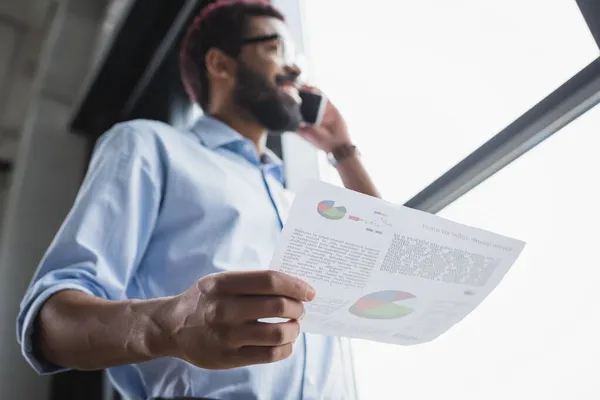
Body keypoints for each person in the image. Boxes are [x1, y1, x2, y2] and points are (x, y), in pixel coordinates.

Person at [16, 0, 380, 399]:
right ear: (221, 64)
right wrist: (170, 325)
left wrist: (343, 149)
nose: (294, 68)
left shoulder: (292, 199)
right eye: (276, 49)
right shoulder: (149, 145)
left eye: (296, 56)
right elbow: (51, 322)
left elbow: (385, 264)